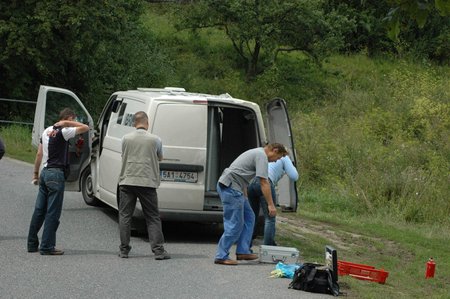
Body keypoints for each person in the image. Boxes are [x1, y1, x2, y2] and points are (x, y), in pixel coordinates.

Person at [27, 108, 89, 255]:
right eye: (73, 119)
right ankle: (47, 246)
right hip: (56, 174)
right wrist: (67, 123)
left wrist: (35, 174)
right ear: (68, 118)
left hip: (45, 173)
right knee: (52, 213)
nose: (74, 122)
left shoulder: (46, 131)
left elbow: (39, 154)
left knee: (39, 211)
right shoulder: (64, 131)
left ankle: (31, 244)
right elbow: (86, 128)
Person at [214, 143, 288, 265]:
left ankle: (243, 251)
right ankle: (221, 256)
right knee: (235, 224)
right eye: (278, 158)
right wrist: (271, 204)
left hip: (237, 188)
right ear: (274, 150)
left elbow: (242, 174)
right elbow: (264, 182)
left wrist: (245, 195)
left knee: (249, 217)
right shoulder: (261, 156)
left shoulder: (258, 153)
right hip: (231, 187)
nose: (276, 161)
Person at [117, 111, 170, 260]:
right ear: (147, 123)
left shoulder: (125, 139)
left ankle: (124, 250)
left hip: (127, 181)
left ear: (134, 123)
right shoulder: (156, 139)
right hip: (147, 182)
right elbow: (160, 158)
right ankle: (158, 251)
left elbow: (124, 155)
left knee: (125, 215)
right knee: (152, 216)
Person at [248, 155, 299, 246]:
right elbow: (294, 176)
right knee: (270, 218)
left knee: (252, 217)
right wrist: (288, 166)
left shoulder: (267, 155)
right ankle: (268, 248)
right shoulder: (284, 157)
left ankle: (245, 247)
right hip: (265, 182)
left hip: (252, 182)